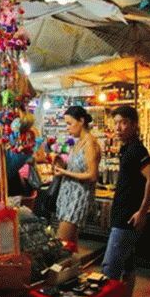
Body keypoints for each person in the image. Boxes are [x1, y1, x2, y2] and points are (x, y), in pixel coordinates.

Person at [102, 106, 150, 297]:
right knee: (128, 264)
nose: (118, 127)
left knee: (110, 269)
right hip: (123, 215)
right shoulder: (127, 148)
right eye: (115, 122)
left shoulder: (136, 149)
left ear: (134, 125)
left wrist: (142, 211)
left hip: (127, 219)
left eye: (123, 122)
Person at [53, 106, 102, 252]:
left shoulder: (90, 144)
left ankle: (63, 272)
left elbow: (92, 175)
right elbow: (75, 168)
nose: (67, 128)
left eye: (69, 123)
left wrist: (65, 173)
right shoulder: (78, 142)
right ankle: (73, 271)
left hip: (78, 198)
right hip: (69, 196)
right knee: (70, 246)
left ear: (81, 121)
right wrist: (62, 164)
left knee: (61, 244)